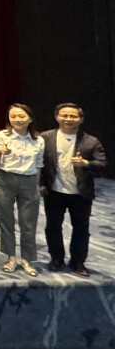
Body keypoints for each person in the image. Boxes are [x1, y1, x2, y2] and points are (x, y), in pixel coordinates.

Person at [40, 103, 107, 277]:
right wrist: (41, 184)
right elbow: (39, 163)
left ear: (80, 119)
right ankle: (57, 258)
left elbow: (102, 165)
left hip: (80, 193)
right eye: (64, 115)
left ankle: (77, 261)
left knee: (81, 229)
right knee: (53, 227)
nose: (68, 119)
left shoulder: (91, 141)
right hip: (53, 191)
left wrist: (86, 163)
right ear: (57, 117)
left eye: (73, 116)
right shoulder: (45, 137)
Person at [0, 104, 46, 276]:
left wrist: (37, 185)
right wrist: (0, 152)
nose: (17, 120)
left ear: (30, 119)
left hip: (29, 181)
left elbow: (39, 164)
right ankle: (11, 258)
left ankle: (27, 259)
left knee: (28, 223)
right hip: (3, 180)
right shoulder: (0, 136)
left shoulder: (38, 139)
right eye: (13, 116)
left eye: (21, 116)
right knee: (6, 221)